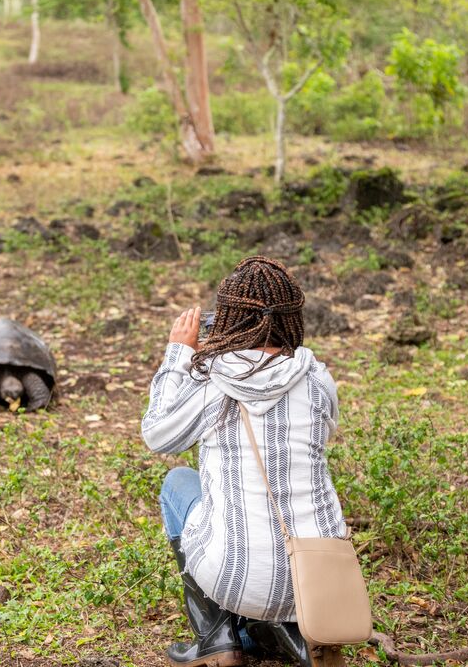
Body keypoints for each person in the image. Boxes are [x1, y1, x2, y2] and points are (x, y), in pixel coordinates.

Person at [141, 256, 347, 667]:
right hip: (322, 580)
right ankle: (298, 635)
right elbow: (322, 438)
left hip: (236, 578)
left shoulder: (213, 379)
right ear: (293, 317)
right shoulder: (317, 376)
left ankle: (216, 638)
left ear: (229, 317)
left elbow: (157, 435)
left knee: (179, 482)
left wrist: (179, 354)